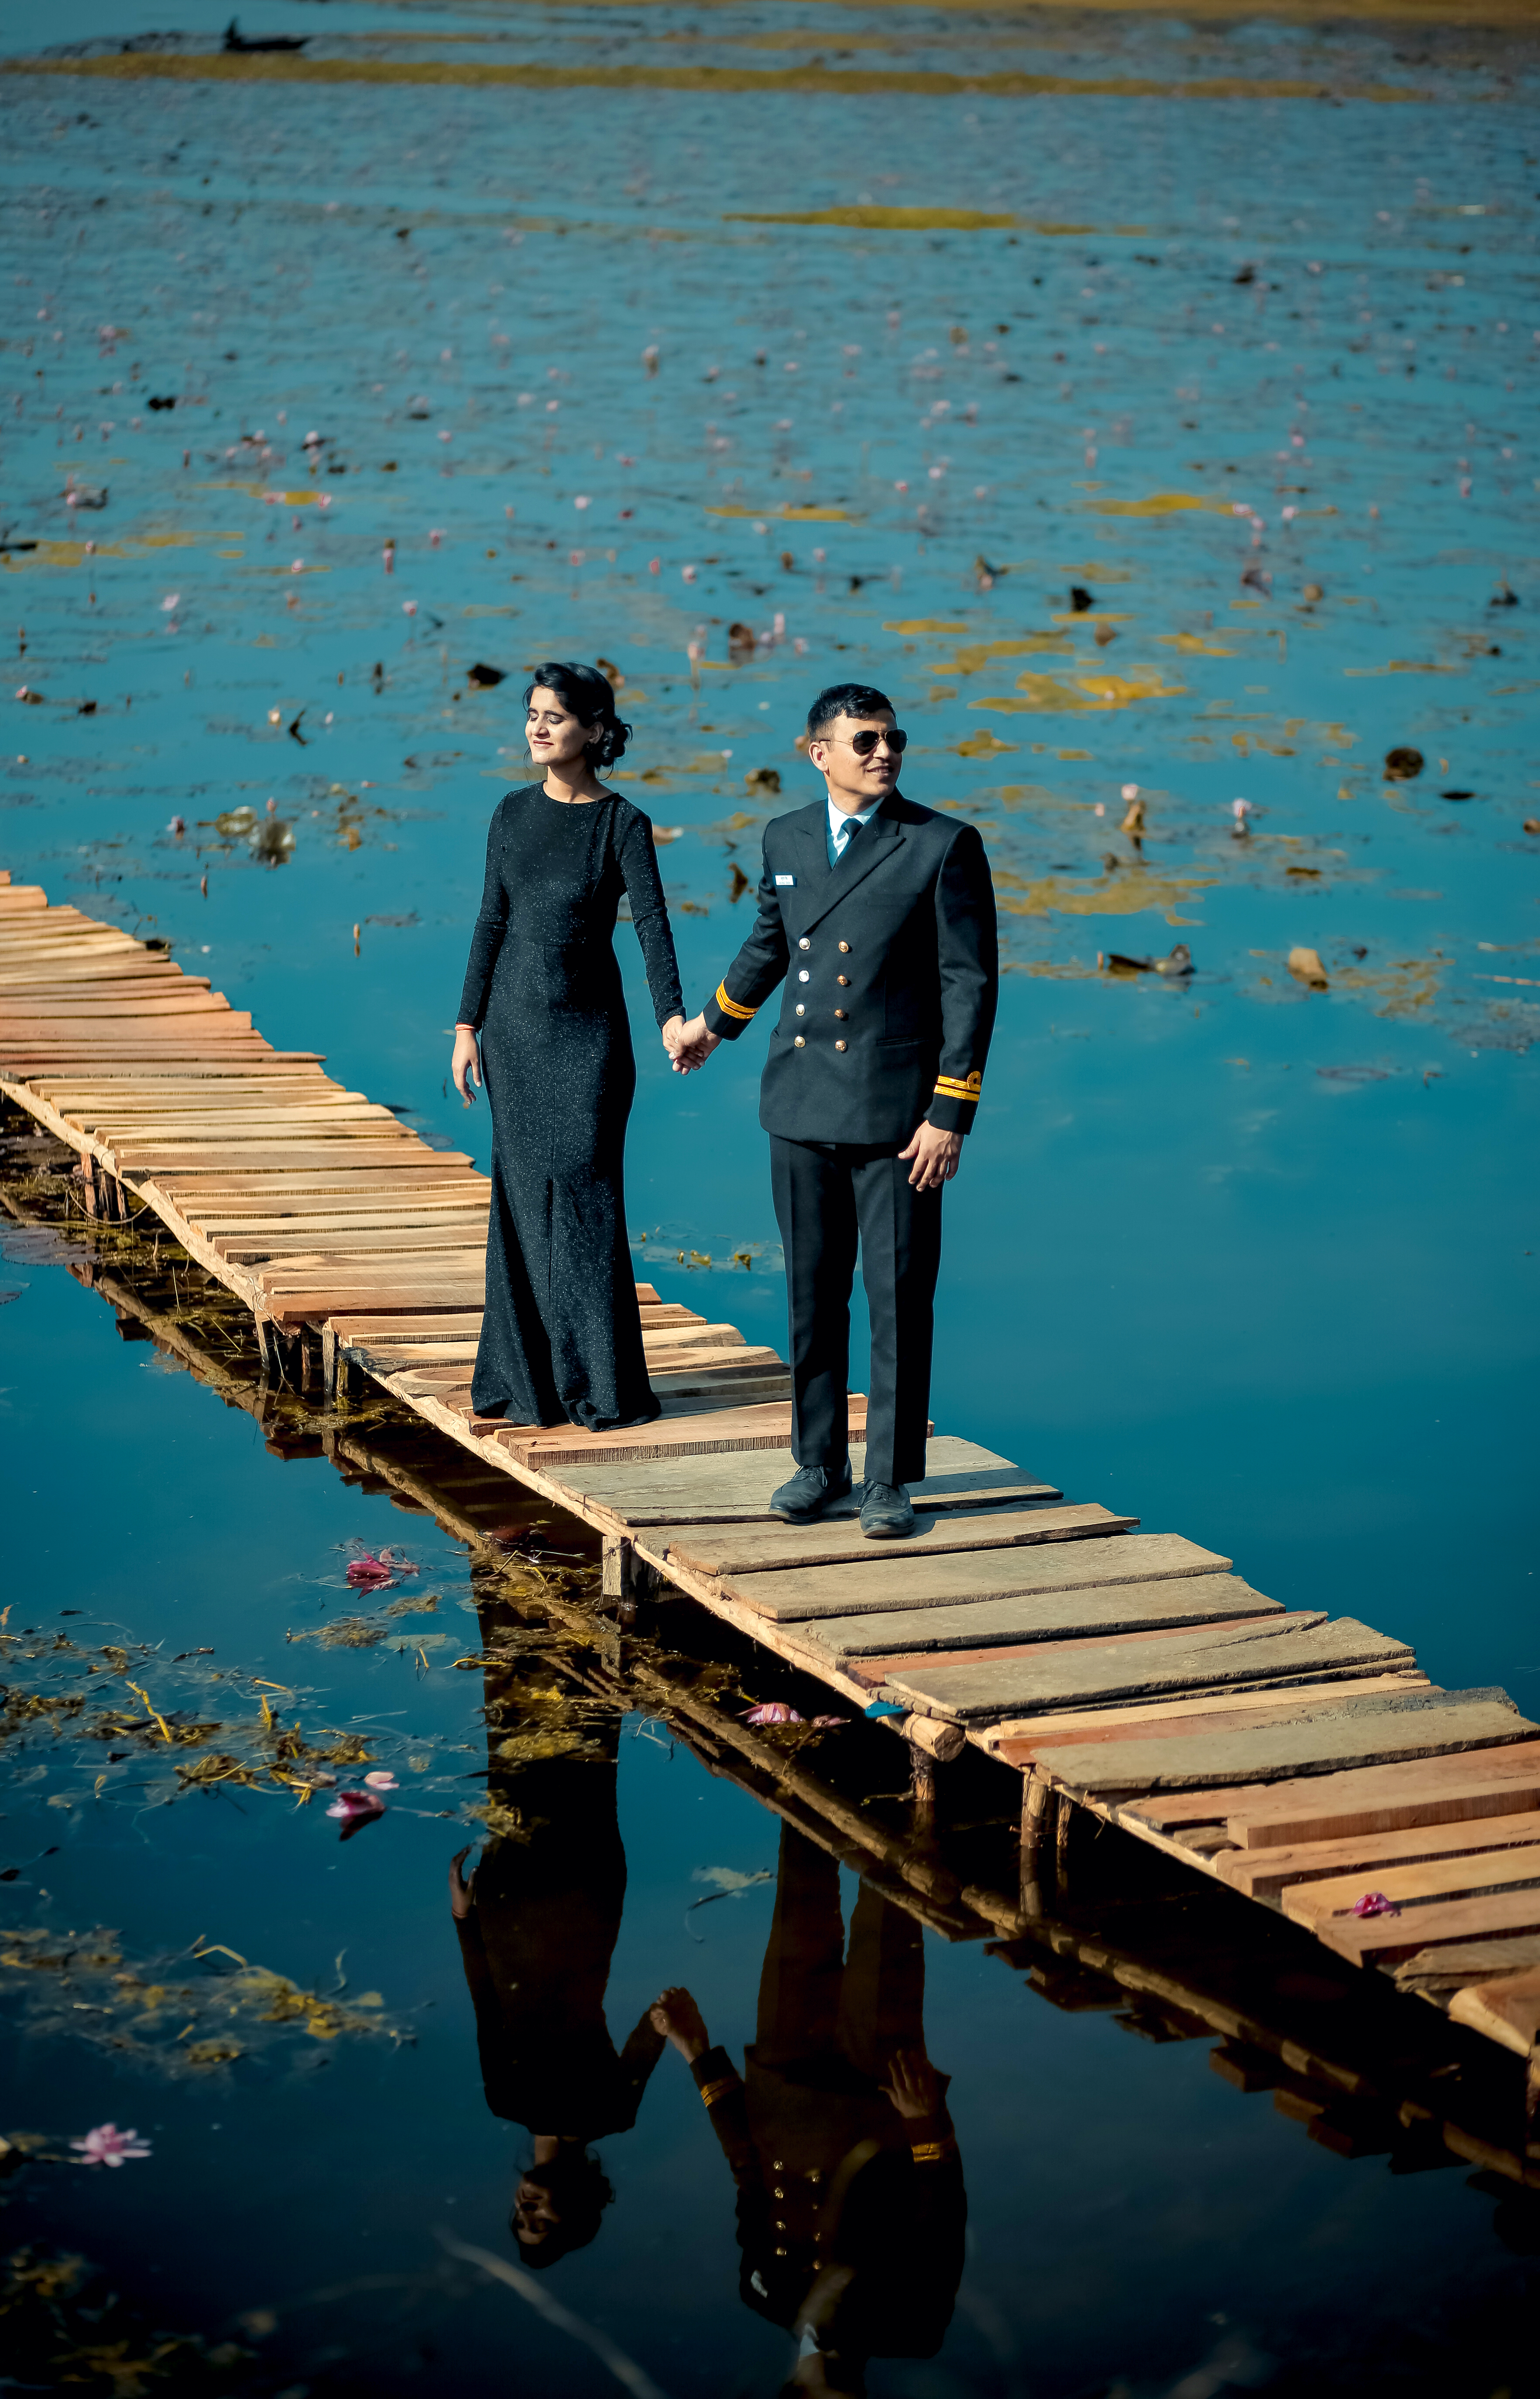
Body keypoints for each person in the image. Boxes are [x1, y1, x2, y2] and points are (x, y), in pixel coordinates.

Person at [669, 684, 997, 1539]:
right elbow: (771, 946)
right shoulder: (785, 838)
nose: (884, 752)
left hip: (898, 1117)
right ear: (819, 753)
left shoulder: (941, 845)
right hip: (800, 1099)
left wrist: (950, 1111)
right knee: (812, 1295)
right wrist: (713, 1027)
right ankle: (819, 1463)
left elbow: (969, 985)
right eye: (865, 742)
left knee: (896, 1296)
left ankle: (889, 1477)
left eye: (893, 738)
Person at [453, 662, 686, 1431]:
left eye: (555, 716)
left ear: (594, 730)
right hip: (514, 1039)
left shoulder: (622, 825)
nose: (537, 727)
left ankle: (603, 1387)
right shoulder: (510, 814)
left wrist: (672, 1019)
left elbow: (653, 927)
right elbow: (492, 921)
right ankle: (528, 1384)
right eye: (532, 714)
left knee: (584, 1199)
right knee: (521, 1202)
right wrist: (465, 1027)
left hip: (589, 1043)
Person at [649, 1828, 966, 2387]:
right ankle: (909, 1784)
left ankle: (811, 1748)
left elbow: (750, 2177)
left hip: (782, 2086)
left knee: (800, 1898)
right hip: (882, 2100)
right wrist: (926, 2126)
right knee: (889, 1908)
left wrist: (700, 2056)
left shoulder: (762, 2292)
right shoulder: (913, 2329)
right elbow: (940, 2223)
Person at [448, 1567, 667, 2268]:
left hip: (507, 1916)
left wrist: (462, 1920)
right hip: (581, 1914)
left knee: (510, 1752)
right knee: (581, 1766)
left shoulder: (501, 2098)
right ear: (579, 2212)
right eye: (543, 2224)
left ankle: (503, 1576)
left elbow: (487, 2005)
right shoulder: (613, 2113)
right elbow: (661, 2024)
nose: (528, 2211)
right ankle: (588, 1602)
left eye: (521, 2222)